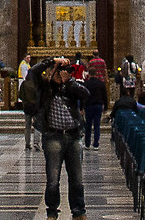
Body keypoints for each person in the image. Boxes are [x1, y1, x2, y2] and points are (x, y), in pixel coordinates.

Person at [30, 59, 92, 220]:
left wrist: (69, 81)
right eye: (58, 71)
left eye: (64, 72)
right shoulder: (45, 87)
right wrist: (52, 61)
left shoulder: (70, 87)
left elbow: (86, 94)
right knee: (53, 179)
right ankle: (52, 211)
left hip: (72, 136)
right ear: (52, 71)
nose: (61, 75)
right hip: (53, 136)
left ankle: (78, 211)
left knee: (77, 179)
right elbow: (33, 72)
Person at [82, 65, 108, 148]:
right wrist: (106, 107)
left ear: (88, 74)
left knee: (88, 125)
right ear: (96, 74)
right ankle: (96, 144)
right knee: (97, 125)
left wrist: (81, 107)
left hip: (89, 106)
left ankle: (87, 143)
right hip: (98, 105)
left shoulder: (86, 84)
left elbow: (83, 97)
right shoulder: (101, 83)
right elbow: (105, 96)